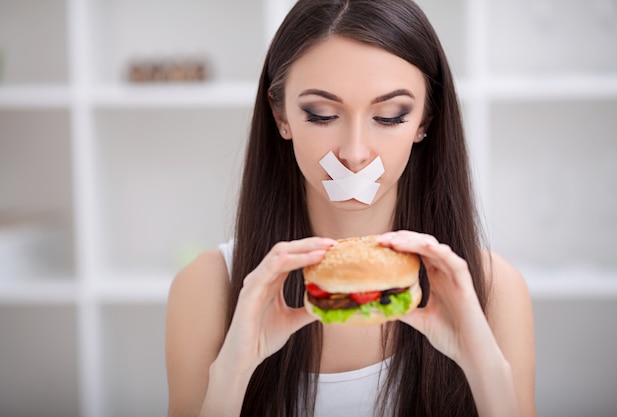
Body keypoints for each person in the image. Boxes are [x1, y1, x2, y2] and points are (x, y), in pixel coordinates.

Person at [165, 0, 536, 416]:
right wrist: (231, 375)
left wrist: (484, 372)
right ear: (280, 115)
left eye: (391, 116)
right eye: (321, 115)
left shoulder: (490, 289)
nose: (355, 154)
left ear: (425, 121)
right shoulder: (208, 287)